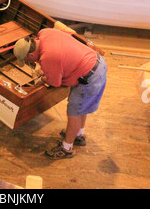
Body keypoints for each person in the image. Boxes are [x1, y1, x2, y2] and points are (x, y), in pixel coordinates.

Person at [13, 28, 107, 160]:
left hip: (89, 77)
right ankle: (79, 135)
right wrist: (49, 69)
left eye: (28, 61)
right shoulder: (44, 33)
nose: (31, 63)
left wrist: (42, 78)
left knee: (74, 113)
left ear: (30, 55)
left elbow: (55, 83)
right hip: (96, 64)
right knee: (81, 107)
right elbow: (67, 39)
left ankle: (66, 148)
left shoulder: (48, 57)